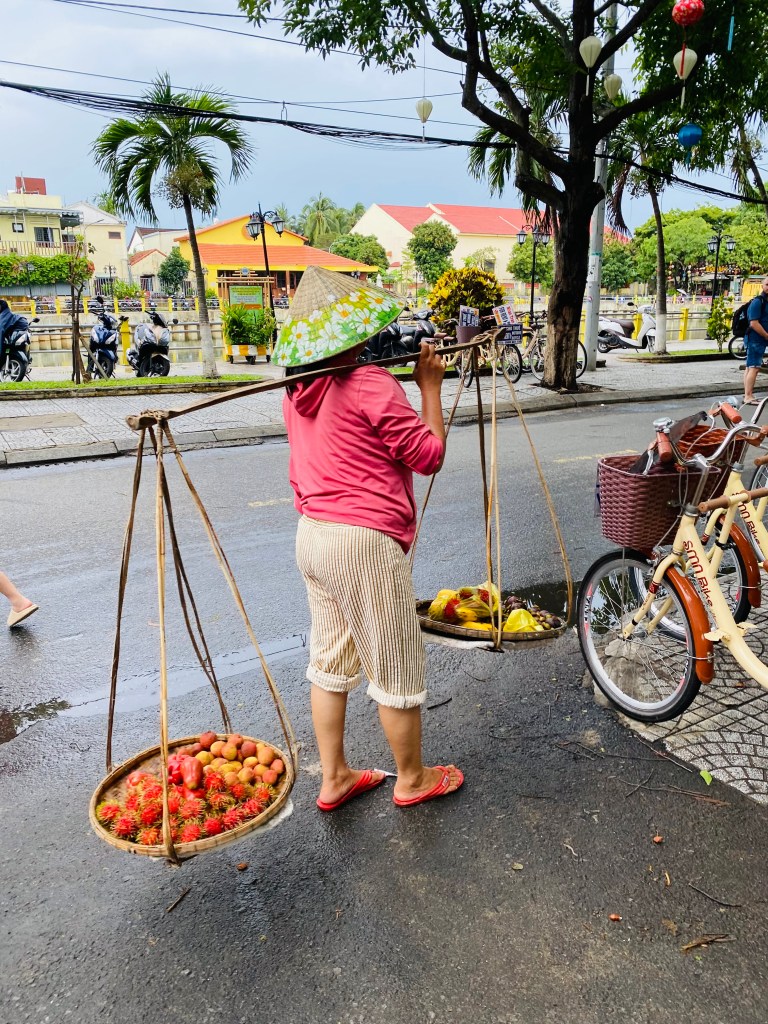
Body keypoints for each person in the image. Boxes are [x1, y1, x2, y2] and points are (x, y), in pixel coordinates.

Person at [274, 266, 463, 812]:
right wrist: (430, 388)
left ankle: (334, 776)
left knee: (330, 660)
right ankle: (413, 778)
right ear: (349, 331)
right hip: (363, 544)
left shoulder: (295, 392)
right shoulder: (369, 383)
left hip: (313, 536)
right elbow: (428, 455)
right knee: (394, 658)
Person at [742, 276, 768, 406]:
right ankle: (748, 396)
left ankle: (747, 394)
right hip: (755, 339)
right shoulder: (758, 302)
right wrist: (766, 335)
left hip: (759, 339)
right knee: (754, 368)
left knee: (750, 367)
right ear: (762, 286)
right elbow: (754, 323)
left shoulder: (765, 301)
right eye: (767, 285)